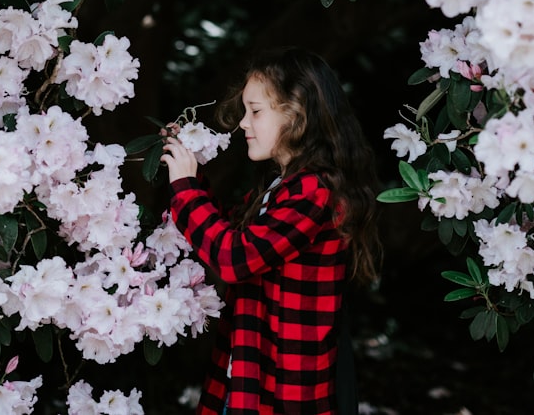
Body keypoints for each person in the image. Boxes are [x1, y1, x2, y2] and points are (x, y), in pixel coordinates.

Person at [161, 47, 381, 415]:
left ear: (297, 114)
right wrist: (192, 176)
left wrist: (185, 188)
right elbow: (226, 234)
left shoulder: (314, 191)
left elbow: (233, 258)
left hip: (283, 393)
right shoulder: (281, 187)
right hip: (250, 377)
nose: (244, 123)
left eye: (256, 111)